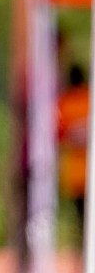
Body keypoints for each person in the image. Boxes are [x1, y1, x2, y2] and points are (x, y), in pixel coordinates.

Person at [60, 63, 89, 236]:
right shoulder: (87, 98)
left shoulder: (65, 102)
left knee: (81, 220)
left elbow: (61, 134)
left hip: (76, 174)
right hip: (81, 172)